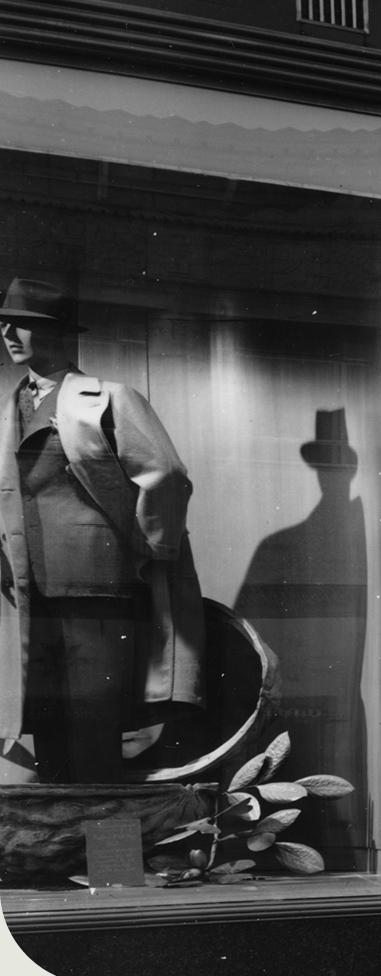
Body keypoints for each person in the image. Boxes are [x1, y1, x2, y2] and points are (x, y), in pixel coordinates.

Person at [0, 280, 201, 782]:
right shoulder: (7, 408)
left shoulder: (110, 399)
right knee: (46, 727)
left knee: (95, 729)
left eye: (23, 322)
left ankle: (110, 862)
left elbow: (166, 475)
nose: (7, 332)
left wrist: (152, 548)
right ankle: (64, 853)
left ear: (59, 332)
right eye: (3, 322)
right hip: (30, 590)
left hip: (100, 587)